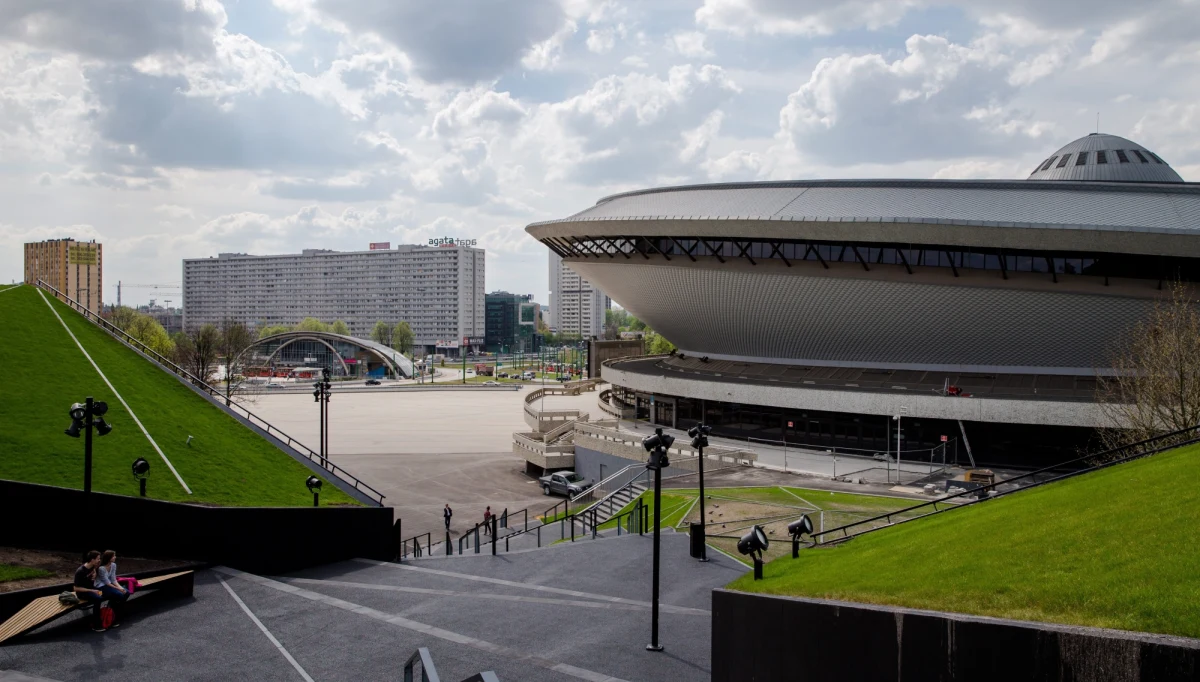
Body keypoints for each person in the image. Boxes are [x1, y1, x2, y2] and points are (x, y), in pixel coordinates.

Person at [73, 550, 106, 632]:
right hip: (82, 593)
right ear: (92, 560)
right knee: (98, 599)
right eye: (98, 559)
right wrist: (91, 590)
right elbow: (75, 588)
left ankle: (106, 615)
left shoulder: (92, 567)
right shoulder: (80, 571)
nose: (99, 560)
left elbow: (93, 574)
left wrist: (94, 575)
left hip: (91, 590)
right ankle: (96, 624)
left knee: (104, 593)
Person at [94, 550, 128, 627]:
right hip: (100, 587)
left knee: (126, 592)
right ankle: (111, 613)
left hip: (109, 585)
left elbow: (113, 579)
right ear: (109, 558)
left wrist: (120, 587)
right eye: (113, 556)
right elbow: (106, 582)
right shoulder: (101, 568)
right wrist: (119, 589)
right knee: (119, 594)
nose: (115, 557)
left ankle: (112, 609)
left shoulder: (113, 565)